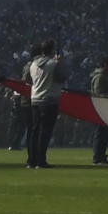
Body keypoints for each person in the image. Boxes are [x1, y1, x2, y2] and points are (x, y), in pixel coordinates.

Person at [24, 39, 66, 169]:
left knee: (34, 131)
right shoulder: (54, 64)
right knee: (45, 131)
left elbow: (29, 79)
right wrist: (60, 63)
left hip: (35, 99)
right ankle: (41, 160)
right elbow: (62, 77)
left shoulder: (33, 64)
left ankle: (32, 160)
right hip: (49, 100)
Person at [87, 55, 108, 164]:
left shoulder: (105, 76)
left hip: (106, 109)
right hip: (101, 109)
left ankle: (101, 155)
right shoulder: (100, 77)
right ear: (106, 64)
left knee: (104, 134)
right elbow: (99, 94)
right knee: (100, 133)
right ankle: (97, 157)